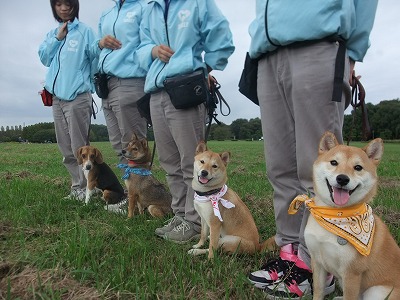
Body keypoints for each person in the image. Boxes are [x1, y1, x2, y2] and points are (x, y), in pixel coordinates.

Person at [246, 1, 378, 298]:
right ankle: (289, 253)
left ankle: (318, 266)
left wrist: (352, 51)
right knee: (279, 167)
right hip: (267, 54)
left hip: (320, 44)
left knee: (319, 171)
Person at [136, 0, 234, 243]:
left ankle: (194, 220)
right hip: (156, 91)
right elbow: (138, 47)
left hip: (185, 88)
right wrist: (152, 51)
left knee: (192, 162)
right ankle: (181, 214)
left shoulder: (197, 3)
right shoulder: (151, 8)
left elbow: (222, 37)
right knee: (169, 161)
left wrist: (201, 68)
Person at [91, 0, 149, 213]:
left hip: (131, 81)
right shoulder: (107, 14)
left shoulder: (144, 8)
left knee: (134, 146)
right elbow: (95, 48)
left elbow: (151, 42)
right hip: (107, 85)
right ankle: (130, 196)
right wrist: (99, 43)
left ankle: (142, 199)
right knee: (120, 146)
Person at [38, 0, 98, 201]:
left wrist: (92, 85)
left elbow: (95, 59)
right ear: (54, 7)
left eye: (67, 3)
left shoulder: (85, 32)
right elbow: (44, 58)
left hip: (78, 97)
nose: (63, 8)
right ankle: (77, 187)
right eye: (58, 4)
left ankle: (88, 187)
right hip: (57, 99)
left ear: (75, 5)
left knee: (80, 147)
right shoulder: (53, 33)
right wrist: (57, 38)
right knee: (65, 148)